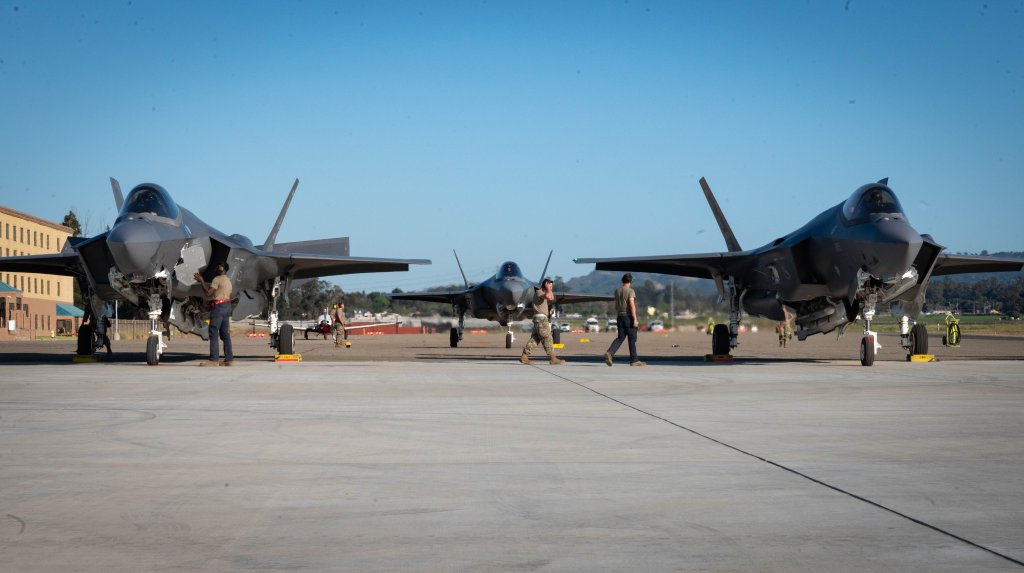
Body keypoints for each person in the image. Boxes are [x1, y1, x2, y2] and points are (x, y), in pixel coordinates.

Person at [194, 264, 234, 366]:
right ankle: (229, 359)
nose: (215, 269)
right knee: (225, 335)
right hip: (227, 306)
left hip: (219, 308)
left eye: (217, 267)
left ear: (220, 269)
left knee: (213, 332)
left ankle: (214, 359)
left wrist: (201, 281)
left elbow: (208, 294)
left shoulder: (217, 279)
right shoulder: (228, 281)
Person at [519, 278, 565, 365]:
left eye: (552, 286)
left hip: (540, 319)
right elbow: (548, 296)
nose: (551, 287)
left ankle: (524, 356)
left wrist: (549, 289)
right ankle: (552, 358)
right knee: (547, 337)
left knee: (535, 339)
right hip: (541, 319)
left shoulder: (545, 292)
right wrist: (548, 289)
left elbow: (551, 298)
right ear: (545, 284)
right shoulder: (539, 292)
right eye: (549, 285)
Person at [604, 273, 645, 366]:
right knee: (632, 339)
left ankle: (610, 352)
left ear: (622, 281)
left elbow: (616, 305)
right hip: (628, 317)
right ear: (631, 281)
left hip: (620, 317)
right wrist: (635, 319)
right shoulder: (631, 291)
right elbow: (632, 305)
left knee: (620, 337)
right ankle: (634, 360)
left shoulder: (617, 291)